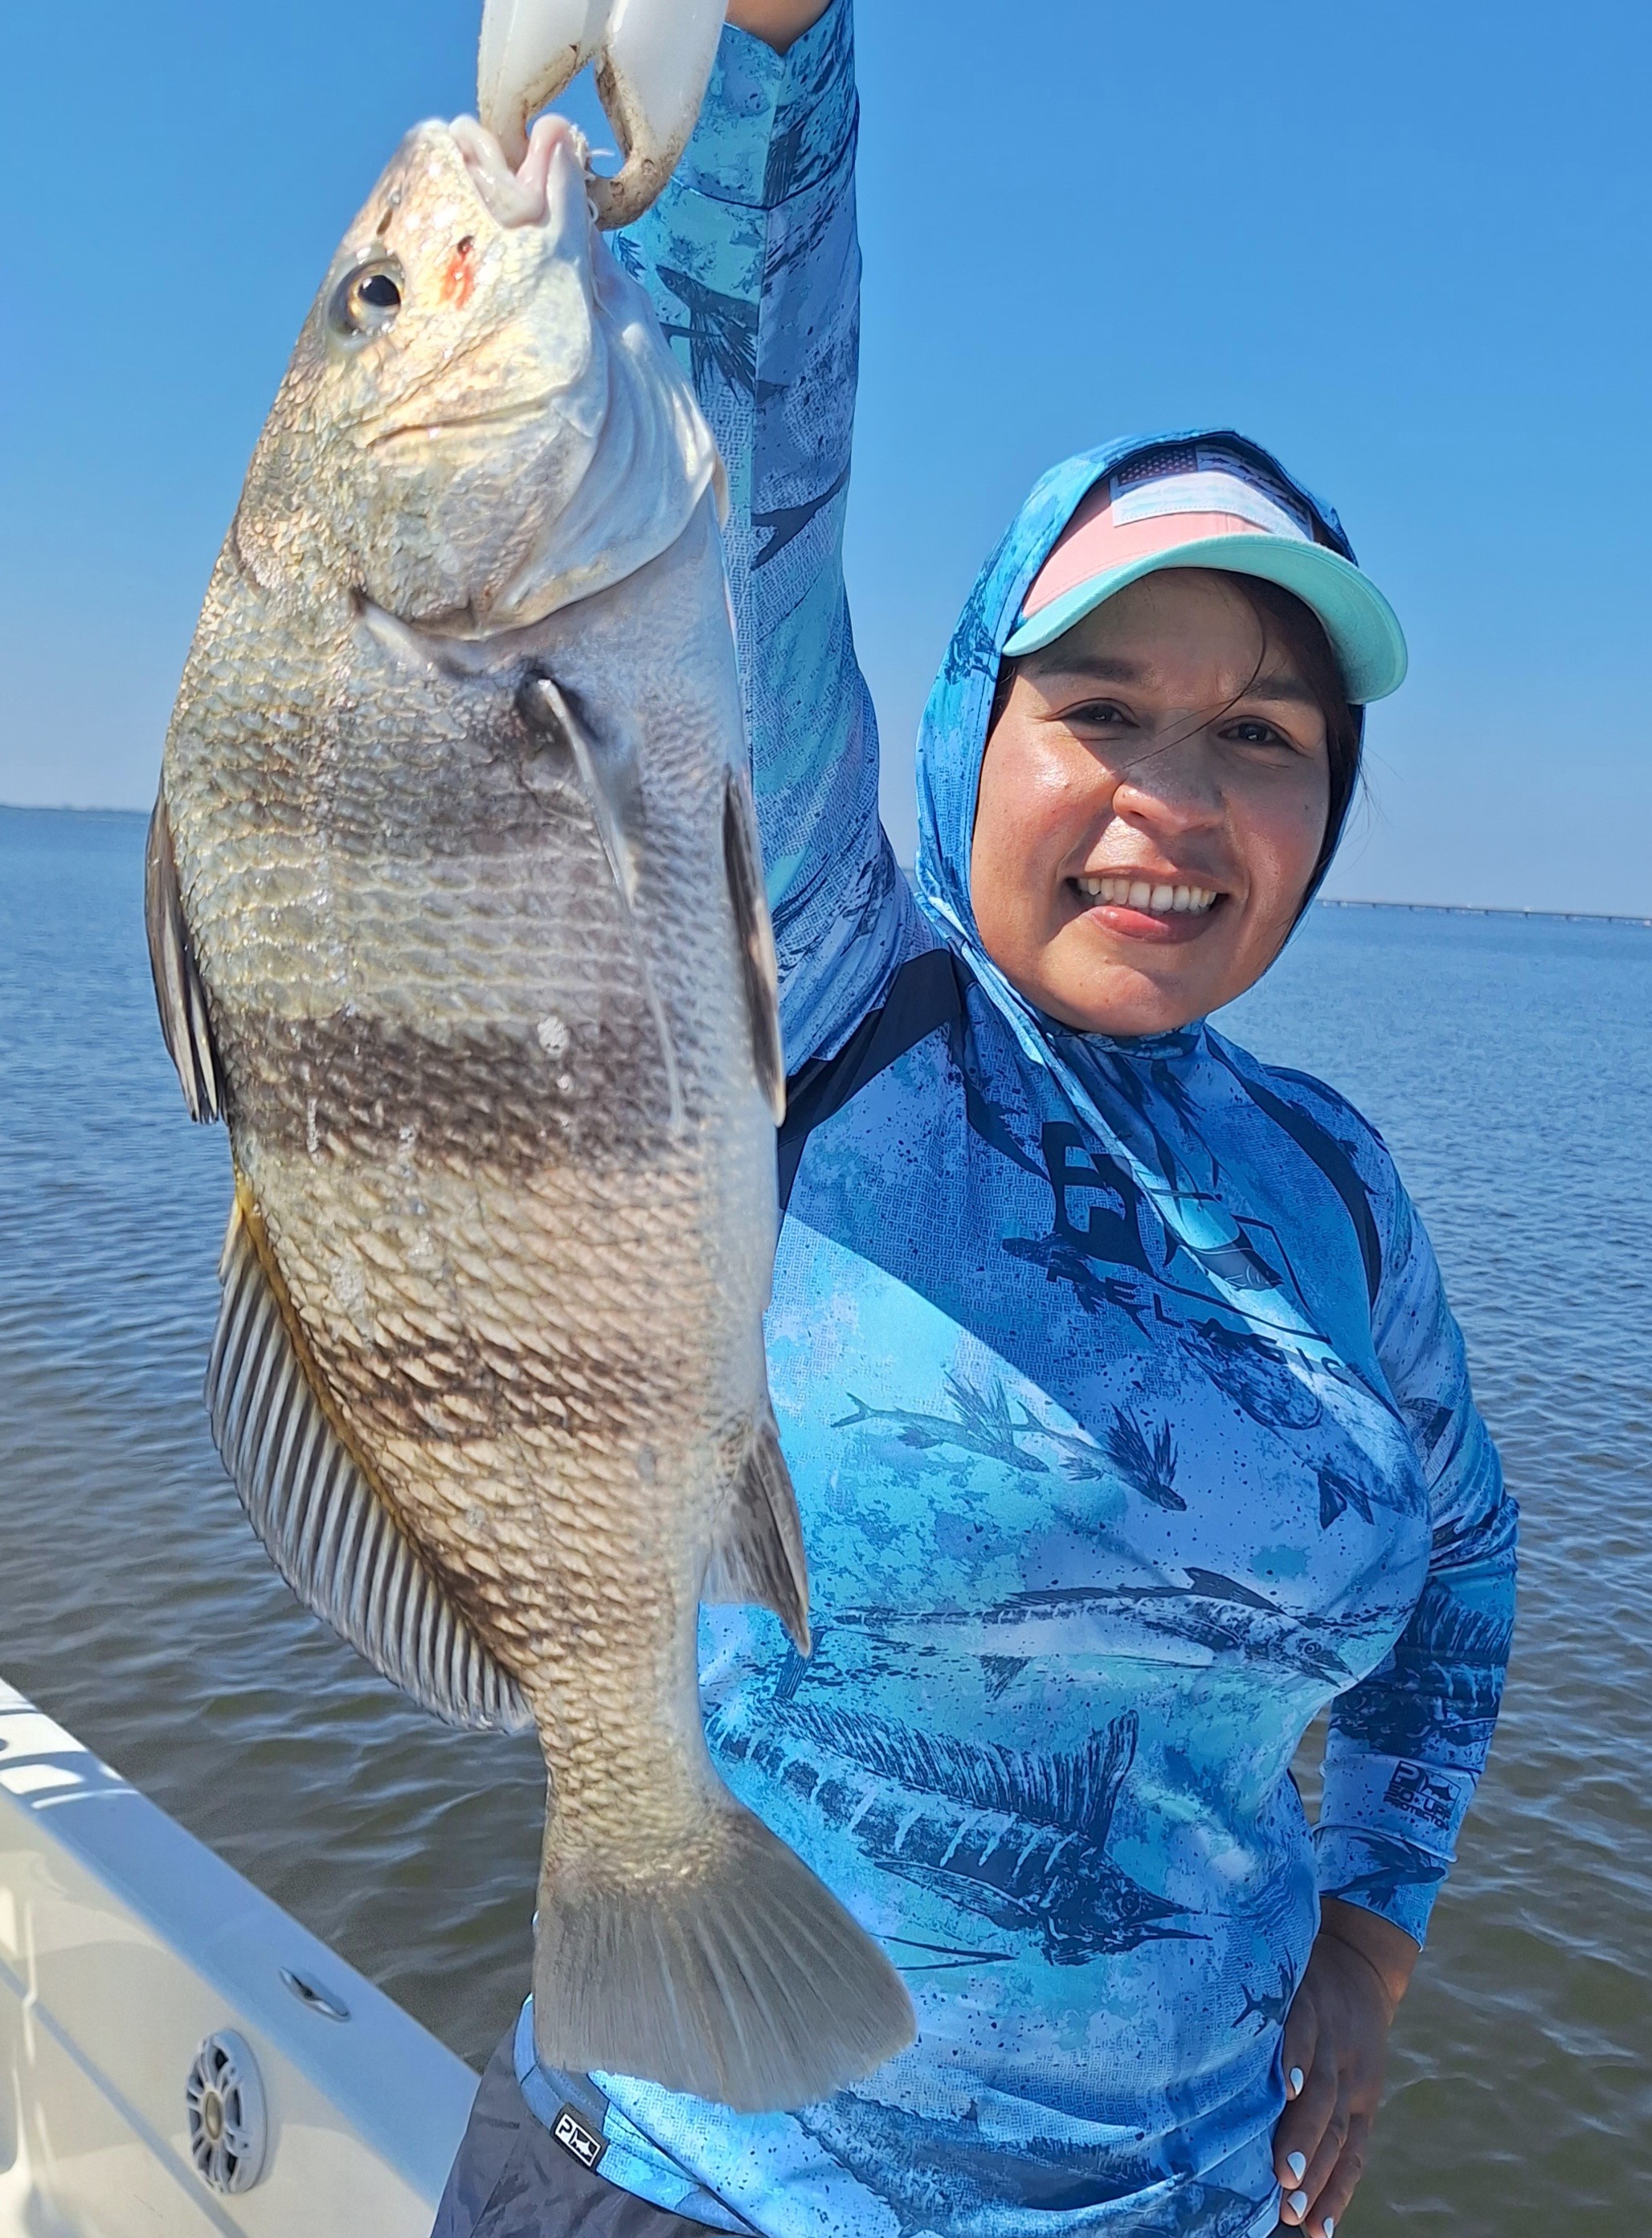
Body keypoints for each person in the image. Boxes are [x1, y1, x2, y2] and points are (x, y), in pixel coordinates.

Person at [434, 3, 1517, 2232]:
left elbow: (1467, 1562)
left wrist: (1376, 1930)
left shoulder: (1333, 1186)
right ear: (962, 734)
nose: (1175, 800)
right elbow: (741, 456)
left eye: (1265, 737)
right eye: (1101, 707)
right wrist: (769, 46)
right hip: (694, 2180)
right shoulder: (824, 986)